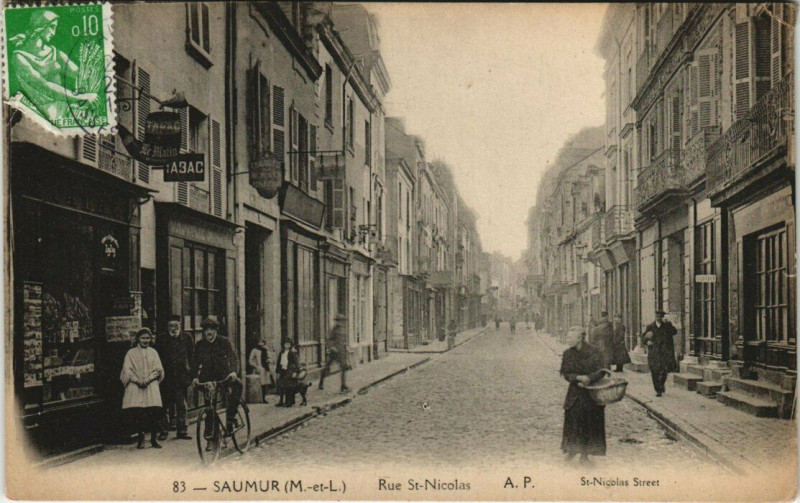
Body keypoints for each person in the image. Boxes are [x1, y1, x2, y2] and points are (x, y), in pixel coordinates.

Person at [10, 10, 99, 122]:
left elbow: (77, 73)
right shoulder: (18, 57)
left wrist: (91, 72)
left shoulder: (55, 52)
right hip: (40, 112)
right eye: (51, 27)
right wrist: (81, 98)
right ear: (41, 26)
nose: (54, 32)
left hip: (63, 106)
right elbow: (45, 86)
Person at [191, 318, 242, 446]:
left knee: (237, 387)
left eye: (211, 329)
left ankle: (230, 419)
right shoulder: (200, 345)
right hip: (207, 379)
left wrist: (233, 372)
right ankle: (211, 436)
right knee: (209, 407)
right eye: (206, 330)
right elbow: (195, 363)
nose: (208, 332)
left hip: (224, 377)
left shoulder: (224, 342)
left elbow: (233, 358)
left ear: (216, 330)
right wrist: (194, 377)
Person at [560, 327, 606, 466]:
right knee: (573, 422)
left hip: (592, 393)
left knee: (590, 423)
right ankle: (572, 449)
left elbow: (602, 370)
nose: (567, 340)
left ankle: (585, 456)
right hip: (575, 393)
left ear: (579, 338)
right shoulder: (568, 353)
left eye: (569, 337)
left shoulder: (594, 351)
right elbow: (566, 373)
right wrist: (577, 377)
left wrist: (589, 378)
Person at [120, 328, 164, 449]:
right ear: (138, 339)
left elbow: (158, 369)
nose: (145, 340)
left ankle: (154, 439)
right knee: (139, 414)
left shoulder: (153, 352)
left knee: (154, 412)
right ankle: (141, 439)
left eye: (147, 338)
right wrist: (137, 380)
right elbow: (127, 369)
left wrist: (149, 379)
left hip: (150, 385)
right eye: (143, 338)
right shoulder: (131, 353)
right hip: (136, 386)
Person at [157, 314, 194, 441]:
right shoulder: (161, 339)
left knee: (181, 406)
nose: (173, 328)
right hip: (165, 379)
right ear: (167, 327)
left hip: (181, 378)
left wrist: (190, 376)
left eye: (176, 326)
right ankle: (163, 431)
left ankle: (182, 431)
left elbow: (191, 357)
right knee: (163, 406)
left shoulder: (187, 338)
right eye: (170, 326)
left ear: (180, 326)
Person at [644, 310, 678, 397]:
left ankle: (661, 383)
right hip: (654, 353)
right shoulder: (650, 327)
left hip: (664, 353)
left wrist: (669, 323)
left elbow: (674, 332)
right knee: (654, 371)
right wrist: (647, 342)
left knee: (664, 370)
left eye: (660, 316)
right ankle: (658, 390)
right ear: (655, 317)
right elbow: (643, 337)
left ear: (663, 317)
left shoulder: (666, 326)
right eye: (657, 316)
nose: (658, 318)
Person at [319, 314, 350, 392]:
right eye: (340, 321)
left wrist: (346, 348)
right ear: (337, 321)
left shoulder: (343, 329)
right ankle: (321, 382)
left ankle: (343, 385)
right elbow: (329, 340)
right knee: (327, 367)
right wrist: (332, 347)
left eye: (343, 321)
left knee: (343, 367)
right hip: (334, 352)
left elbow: (343, 341)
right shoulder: (334, 329)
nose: (341, 322)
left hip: (341, 352)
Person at [275, 339, 299, 407]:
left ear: (291, 345)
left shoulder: (292, 353)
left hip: (289, 370)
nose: (287, 345)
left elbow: (296, 363)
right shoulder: (282, 352)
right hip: (283, 370)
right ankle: (281, 401)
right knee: (281, 386)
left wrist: (295, 371)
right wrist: (278, 371)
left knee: (289, 387)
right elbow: (279, 361)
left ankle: (289, 402)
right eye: (285, 344)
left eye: (288, 344)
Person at [248, 338, 273, 404]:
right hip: (258, 369)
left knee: (264, 384)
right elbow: (250, 360)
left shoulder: (266, 350)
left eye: (262, 343)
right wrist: (256, 366)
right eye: (260, 342)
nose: (261, 344)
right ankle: (258, 399)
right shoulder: (255, 350)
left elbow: (270, 358)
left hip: (265, 368)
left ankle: (263, 398)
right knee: (259, 384)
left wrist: (268, 360)